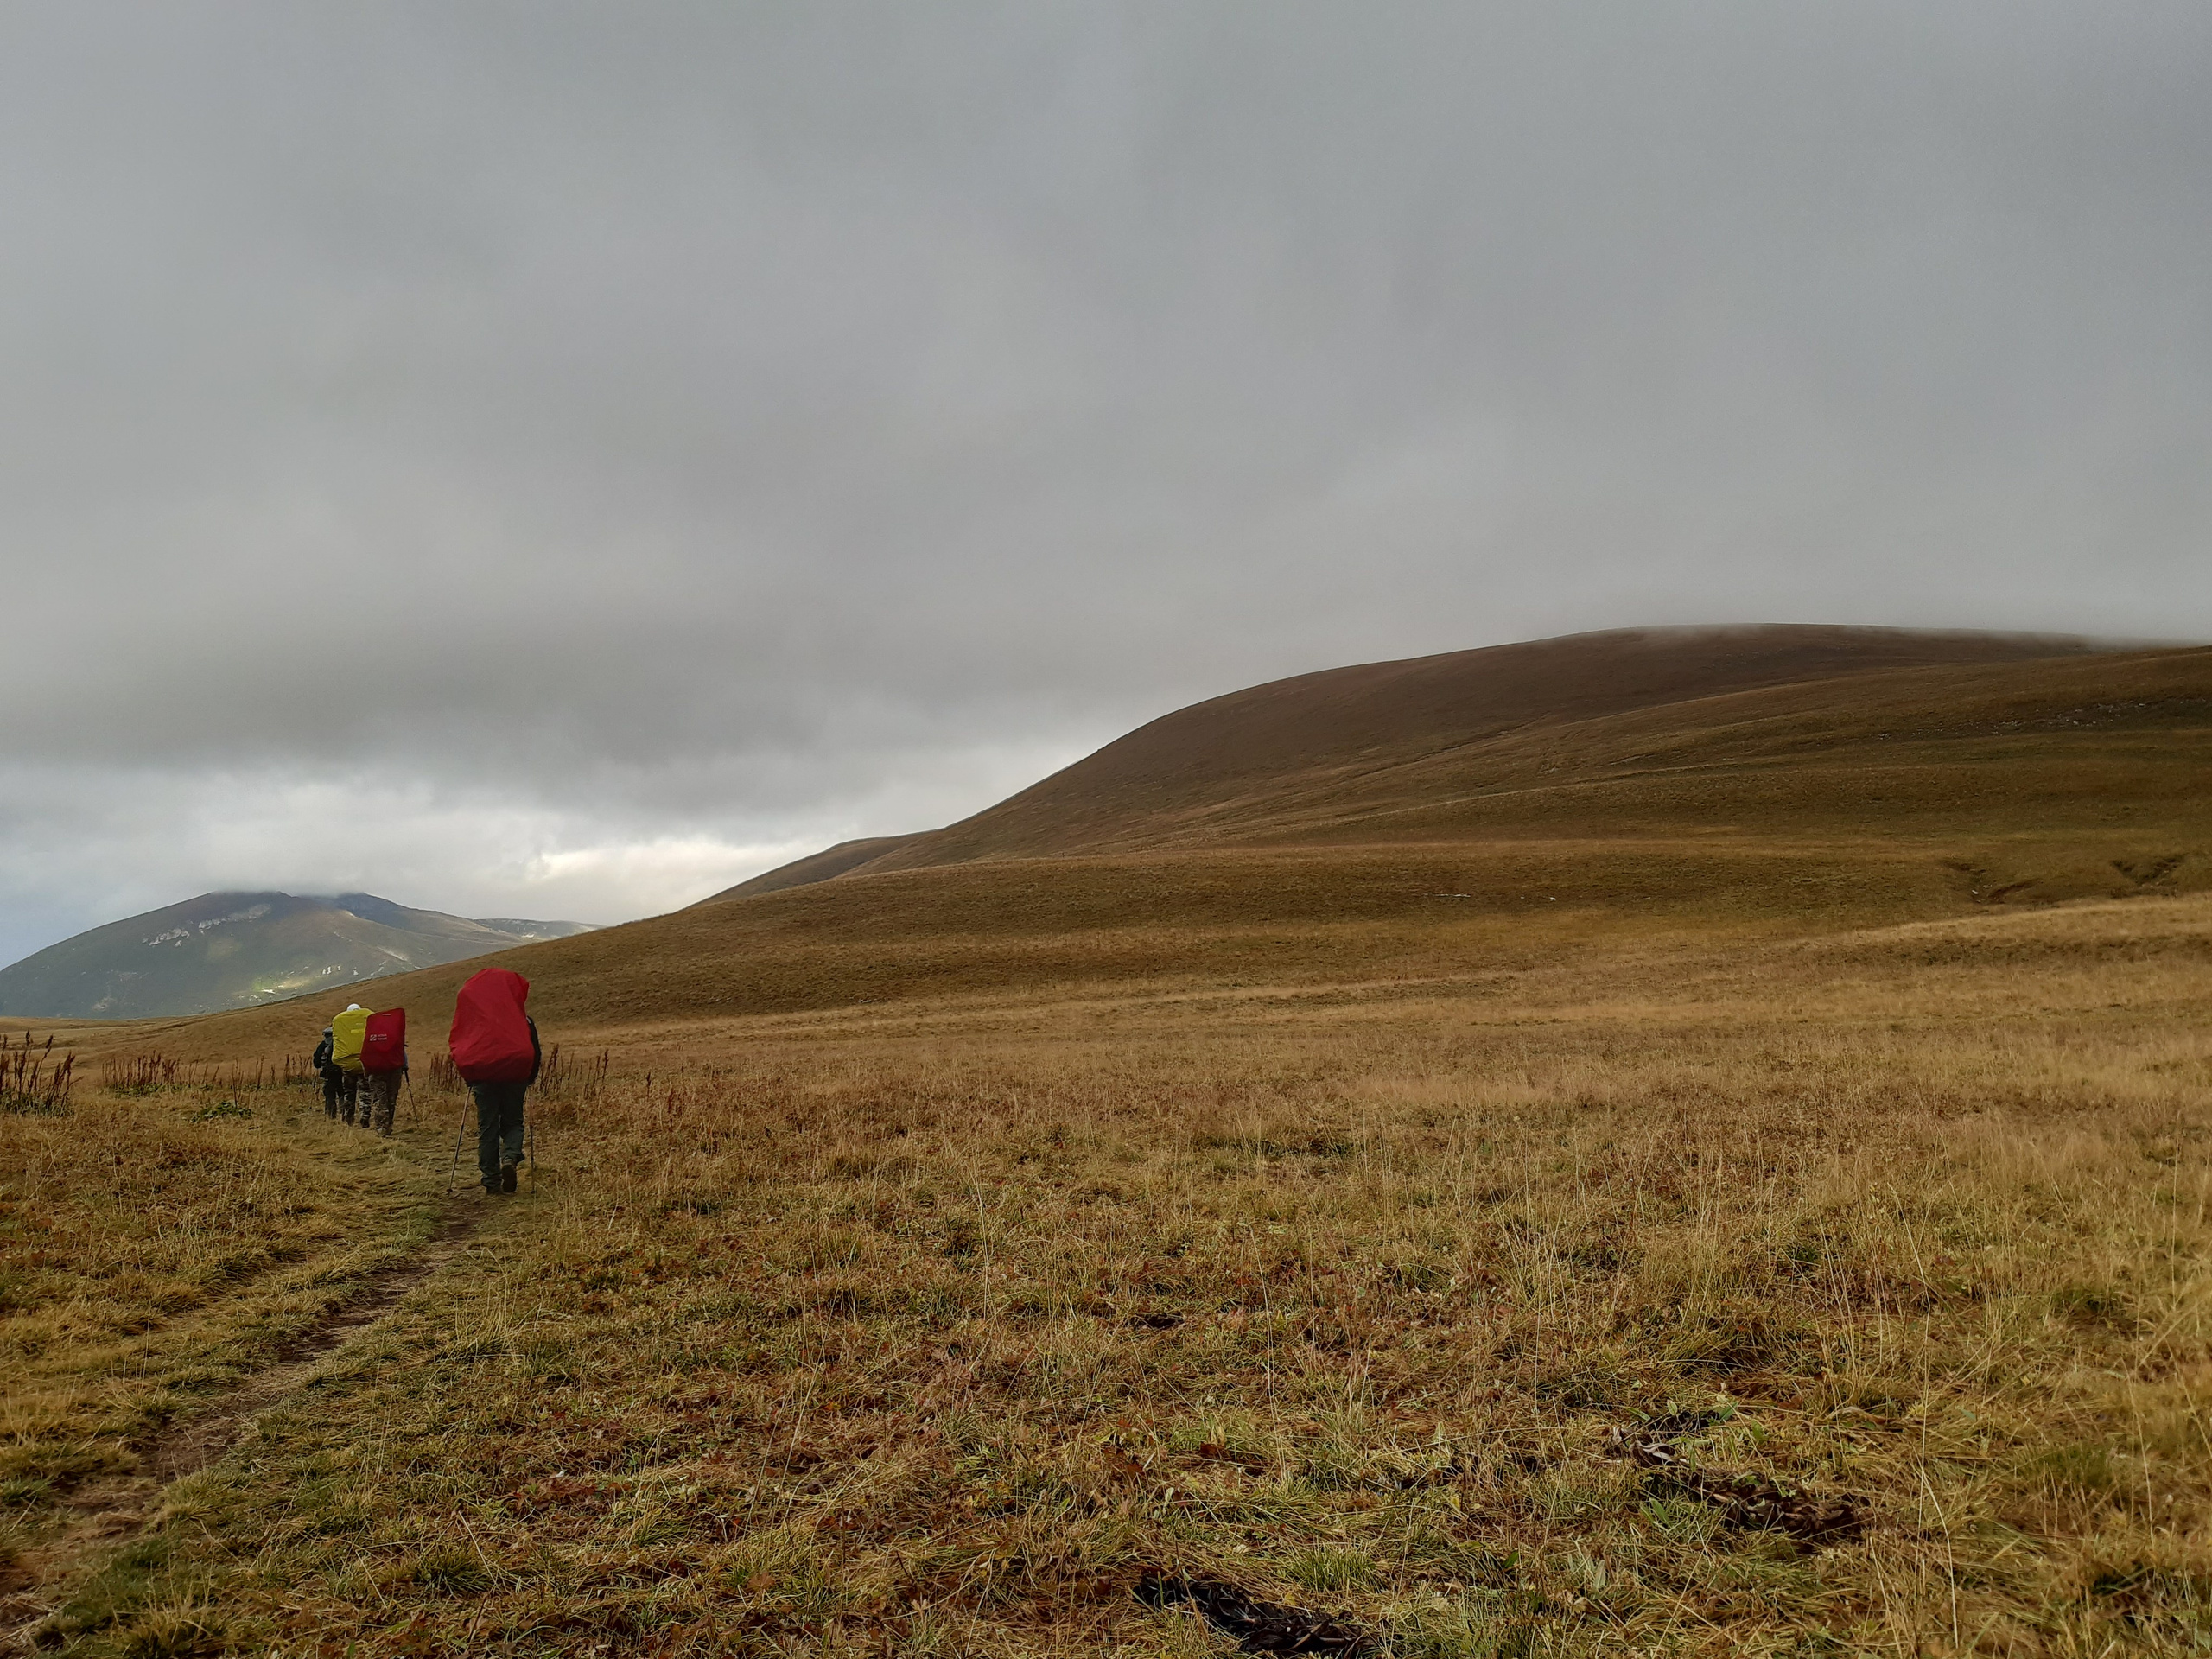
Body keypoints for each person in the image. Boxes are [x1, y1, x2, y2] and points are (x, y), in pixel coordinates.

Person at [448, 967, 541, 1195]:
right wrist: (530, 1077)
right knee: (513, 1122)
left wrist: (469, 1076)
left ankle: (491, 1180)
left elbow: (461, 1044)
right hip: (515, 1074)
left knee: (487, 1127)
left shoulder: (476, 1020)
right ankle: (510, 1157)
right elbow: (535, 1050)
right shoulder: (523, 1020)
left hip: (483, 1076)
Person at [312, 1025, 346, 1120]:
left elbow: (317, 1062)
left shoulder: (323, 1045)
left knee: (330, 1095)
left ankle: (331, 1116)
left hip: (329, 1074)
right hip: (342, 1072)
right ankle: (345, 1115)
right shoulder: (342, 1044)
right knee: (343, 1093)